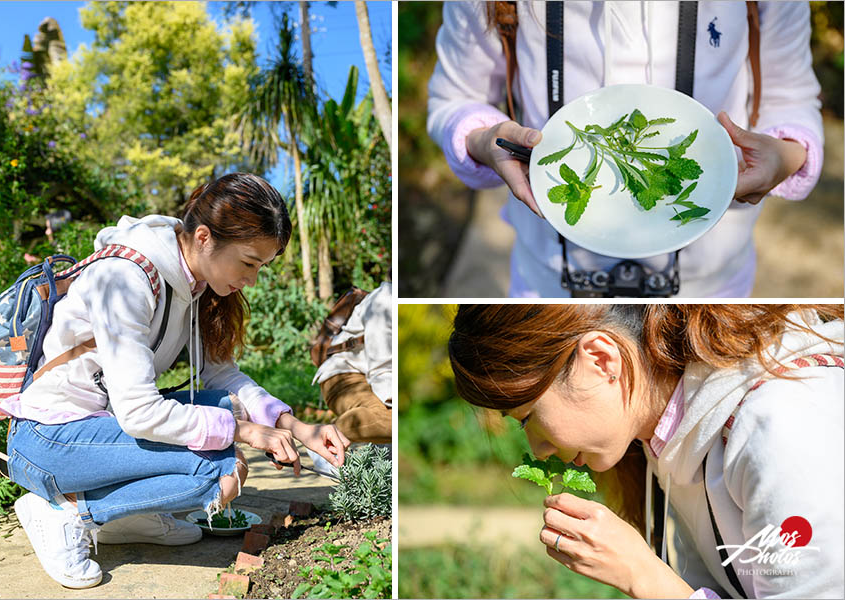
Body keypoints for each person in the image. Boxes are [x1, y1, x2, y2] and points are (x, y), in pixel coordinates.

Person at [0, 173, 350, 589]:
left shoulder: (192, 285)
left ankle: (128, 516)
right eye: (249, 262)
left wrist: (293, 426)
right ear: (204, 237)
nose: (253, 279)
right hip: (50, 441)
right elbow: (139, 412)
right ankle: (69, 512)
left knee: (221, 406)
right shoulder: (125, 277)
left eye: (262, 266)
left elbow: (222, 375)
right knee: (217, 471)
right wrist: (243, 432)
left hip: (101, 430)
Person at [427, 2, 823, 297]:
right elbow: (453, 98)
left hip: (712, 289)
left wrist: (784, 157)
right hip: (549, 285)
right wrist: (485, 140)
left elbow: (792, 96)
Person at [448, 304, 844, 598]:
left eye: (527, 417)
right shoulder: (672, 442)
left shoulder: (782, 427)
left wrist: (641, 573)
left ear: (601, 360)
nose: (538, 448)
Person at [312, 281, 392, 445]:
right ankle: (325, 439)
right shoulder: (384, 300)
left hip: (372, 377)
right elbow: (381, 371)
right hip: (344, 376)